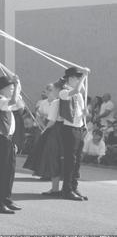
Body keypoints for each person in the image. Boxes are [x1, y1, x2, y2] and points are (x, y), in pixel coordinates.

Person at [23, 79, 65, 196]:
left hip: (53, 130)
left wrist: (45, 130)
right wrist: (42, 126)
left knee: (54, 157)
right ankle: (55, 185)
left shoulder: (57, 102)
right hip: (52, 129)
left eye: (53, 90)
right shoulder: (46, 103)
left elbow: (52, 121)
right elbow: (39, 116)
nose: (51, 92)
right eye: (49, 90)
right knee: (51, 156)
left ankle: (56, 187)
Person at [0, 75, 24, 214]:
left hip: (8, 138)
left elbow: (19, 104)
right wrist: (17, 85)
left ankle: (6, 198)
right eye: (10, 88)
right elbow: (13, 100)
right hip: (1, 138)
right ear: (3, 89)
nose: (12, 90)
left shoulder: (7, 101)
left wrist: (18, 84)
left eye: (13, 88)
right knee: (1, 171)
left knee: (10, 170)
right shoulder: (0, 100)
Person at [59, 66, 90, 201]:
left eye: (79, 78)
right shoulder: (64, 92)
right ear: (70, 78)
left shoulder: (78, 93)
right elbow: (77, 89)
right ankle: (66, 189)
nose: (79, 80)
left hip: (79, 128)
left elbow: (81, 110)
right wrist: (85, 75)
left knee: (77, 160)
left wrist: (85, 114)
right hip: (69, 128)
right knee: (70, 160)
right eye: (77, 78)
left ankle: (74, 186)